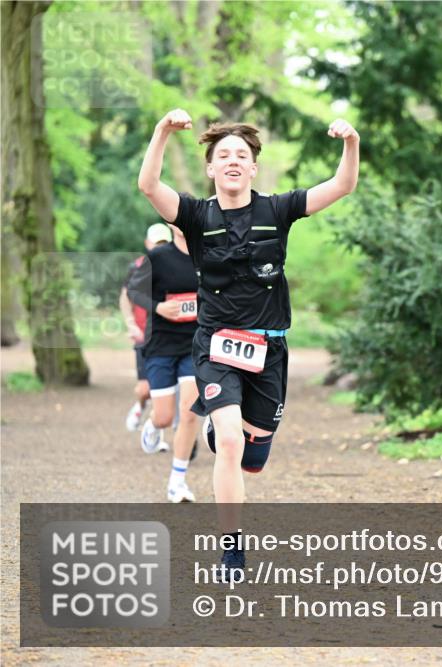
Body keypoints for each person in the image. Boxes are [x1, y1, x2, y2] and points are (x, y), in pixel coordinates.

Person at [137, 109, 359, 576]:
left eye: (242, 154)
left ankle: (230, 429)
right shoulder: (196, 215)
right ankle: (232, 549)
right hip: (216, 346)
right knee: (232, 445)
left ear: (253, 167)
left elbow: (341, 185)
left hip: (269, 349)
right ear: (211, 168)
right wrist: (161, 132)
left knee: (252, 457)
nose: (233, 161)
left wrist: (350, 142)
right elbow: (149, 186)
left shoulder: (276, 210)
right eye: (224, 155)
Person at [126, 223, 201, 502]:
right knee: (165, 416)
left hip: (194, 345)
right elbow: (133, 291)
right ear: (172, 223)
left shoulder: (207, 255)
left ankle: (177, 482)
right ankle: (153, 424)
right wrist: (158, 307)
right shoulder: (158, 258)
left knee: (191, 413)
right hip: (160, 346)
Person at [120, 223, 172, 451]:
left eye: (163, 242)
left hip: (168, 335)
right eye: (155, 242)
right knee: (145, 389)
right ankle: (140, 406)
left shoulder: (176, 264)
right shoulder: (138, 267)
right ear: (147, 243)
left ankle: (157, 438)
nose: (159, 247)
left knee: (165, 390)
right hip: (143, 334)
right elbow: (125, 297)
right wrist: (131, 324)